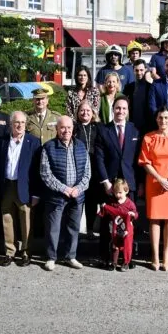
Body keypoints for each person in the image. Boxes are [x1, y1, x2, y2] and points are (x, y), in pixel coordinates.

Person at [138, 107, 168, 271]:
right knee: (154, 219)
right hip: (154, 181)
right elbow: (145, 162)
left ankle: (166, 254)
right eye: (160, 117)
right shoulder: (148, 138)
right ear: (156, 119)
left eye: (166, 117)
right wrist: (160, 179)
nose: (163, 121)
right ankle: (155, 255)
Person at [39, 115, 90, 271]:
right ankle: (51, 257)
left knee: (73, 228)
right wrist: (64, 189)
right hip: (56, 196)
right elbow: (45, 174)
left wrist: (78, 189)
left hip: (77, 196)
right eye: (62, 127)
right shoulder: (48, 147)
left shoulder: (81, 146)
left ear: (73, 129)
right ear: (57, 129)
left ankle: (71, 256)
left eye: (69, 127)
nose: (66, 130)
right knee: (53, 228)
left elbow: (87, 172)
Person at [94, 97, 139, 266]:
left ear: (128, 111)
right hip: (110, 185)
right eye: (118, 108)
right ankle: (106, 257)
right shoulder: (103, 130)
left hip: (129, 185)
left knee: (129, 222)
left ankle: (127, 258)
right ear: (113, 109)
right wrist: (105, 181)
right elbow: (99, 158)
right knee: (108, 223)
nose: (121, 111)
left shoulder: (135, 130)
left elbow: (137, 160)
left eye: (124, 108)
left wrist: (139, 183)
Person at [0, 111, 41, 267]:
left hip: (25, 187)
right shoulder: (2, 141)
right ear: (11, 124)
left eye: (22, 122)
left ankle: (26, 253)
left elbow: (37, 171)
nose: (19, 125)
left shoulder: (33, 142)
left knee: (26, 220)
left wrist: (36, 194)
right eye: (16, 122)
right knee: (7, 218)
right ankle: (10, 252)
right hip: (7, 185)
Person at [97, 178, 138, 271]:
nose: (118, 195)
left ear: (126, 191)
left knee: (126, 245)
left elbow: (136, 214)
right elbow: (104, 212)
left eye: (120, 192)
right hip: (115, 228)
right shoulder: (112, 202)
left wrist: (132, 214)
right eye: (115, 193)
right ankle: (113, 262)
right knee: (115, 245)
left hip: (126, 229)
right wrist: (103, 207)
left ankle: (126, 262)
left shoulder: (130, 203)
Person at [74, 101, 100, 238]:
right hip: (78, 170)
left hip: (94, 170)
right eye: (82, 110)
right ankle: (74, 230)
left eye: (88, 110)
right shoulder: (74, 127)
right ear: (78, 113)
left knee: (92, 201)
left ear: (92, 113)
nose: (85, 113)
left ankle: (90, 229)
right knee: (77, 202)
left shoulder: (98, 127)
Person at [123, 59, 155, 134]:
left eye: (141, 70)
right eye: (136, 70)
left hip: (147, 125)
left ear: (145, 70)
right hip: (132, 125)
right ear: (133, 71)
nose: (139, 73)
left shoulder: (151, 87)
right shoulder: (128, 87)